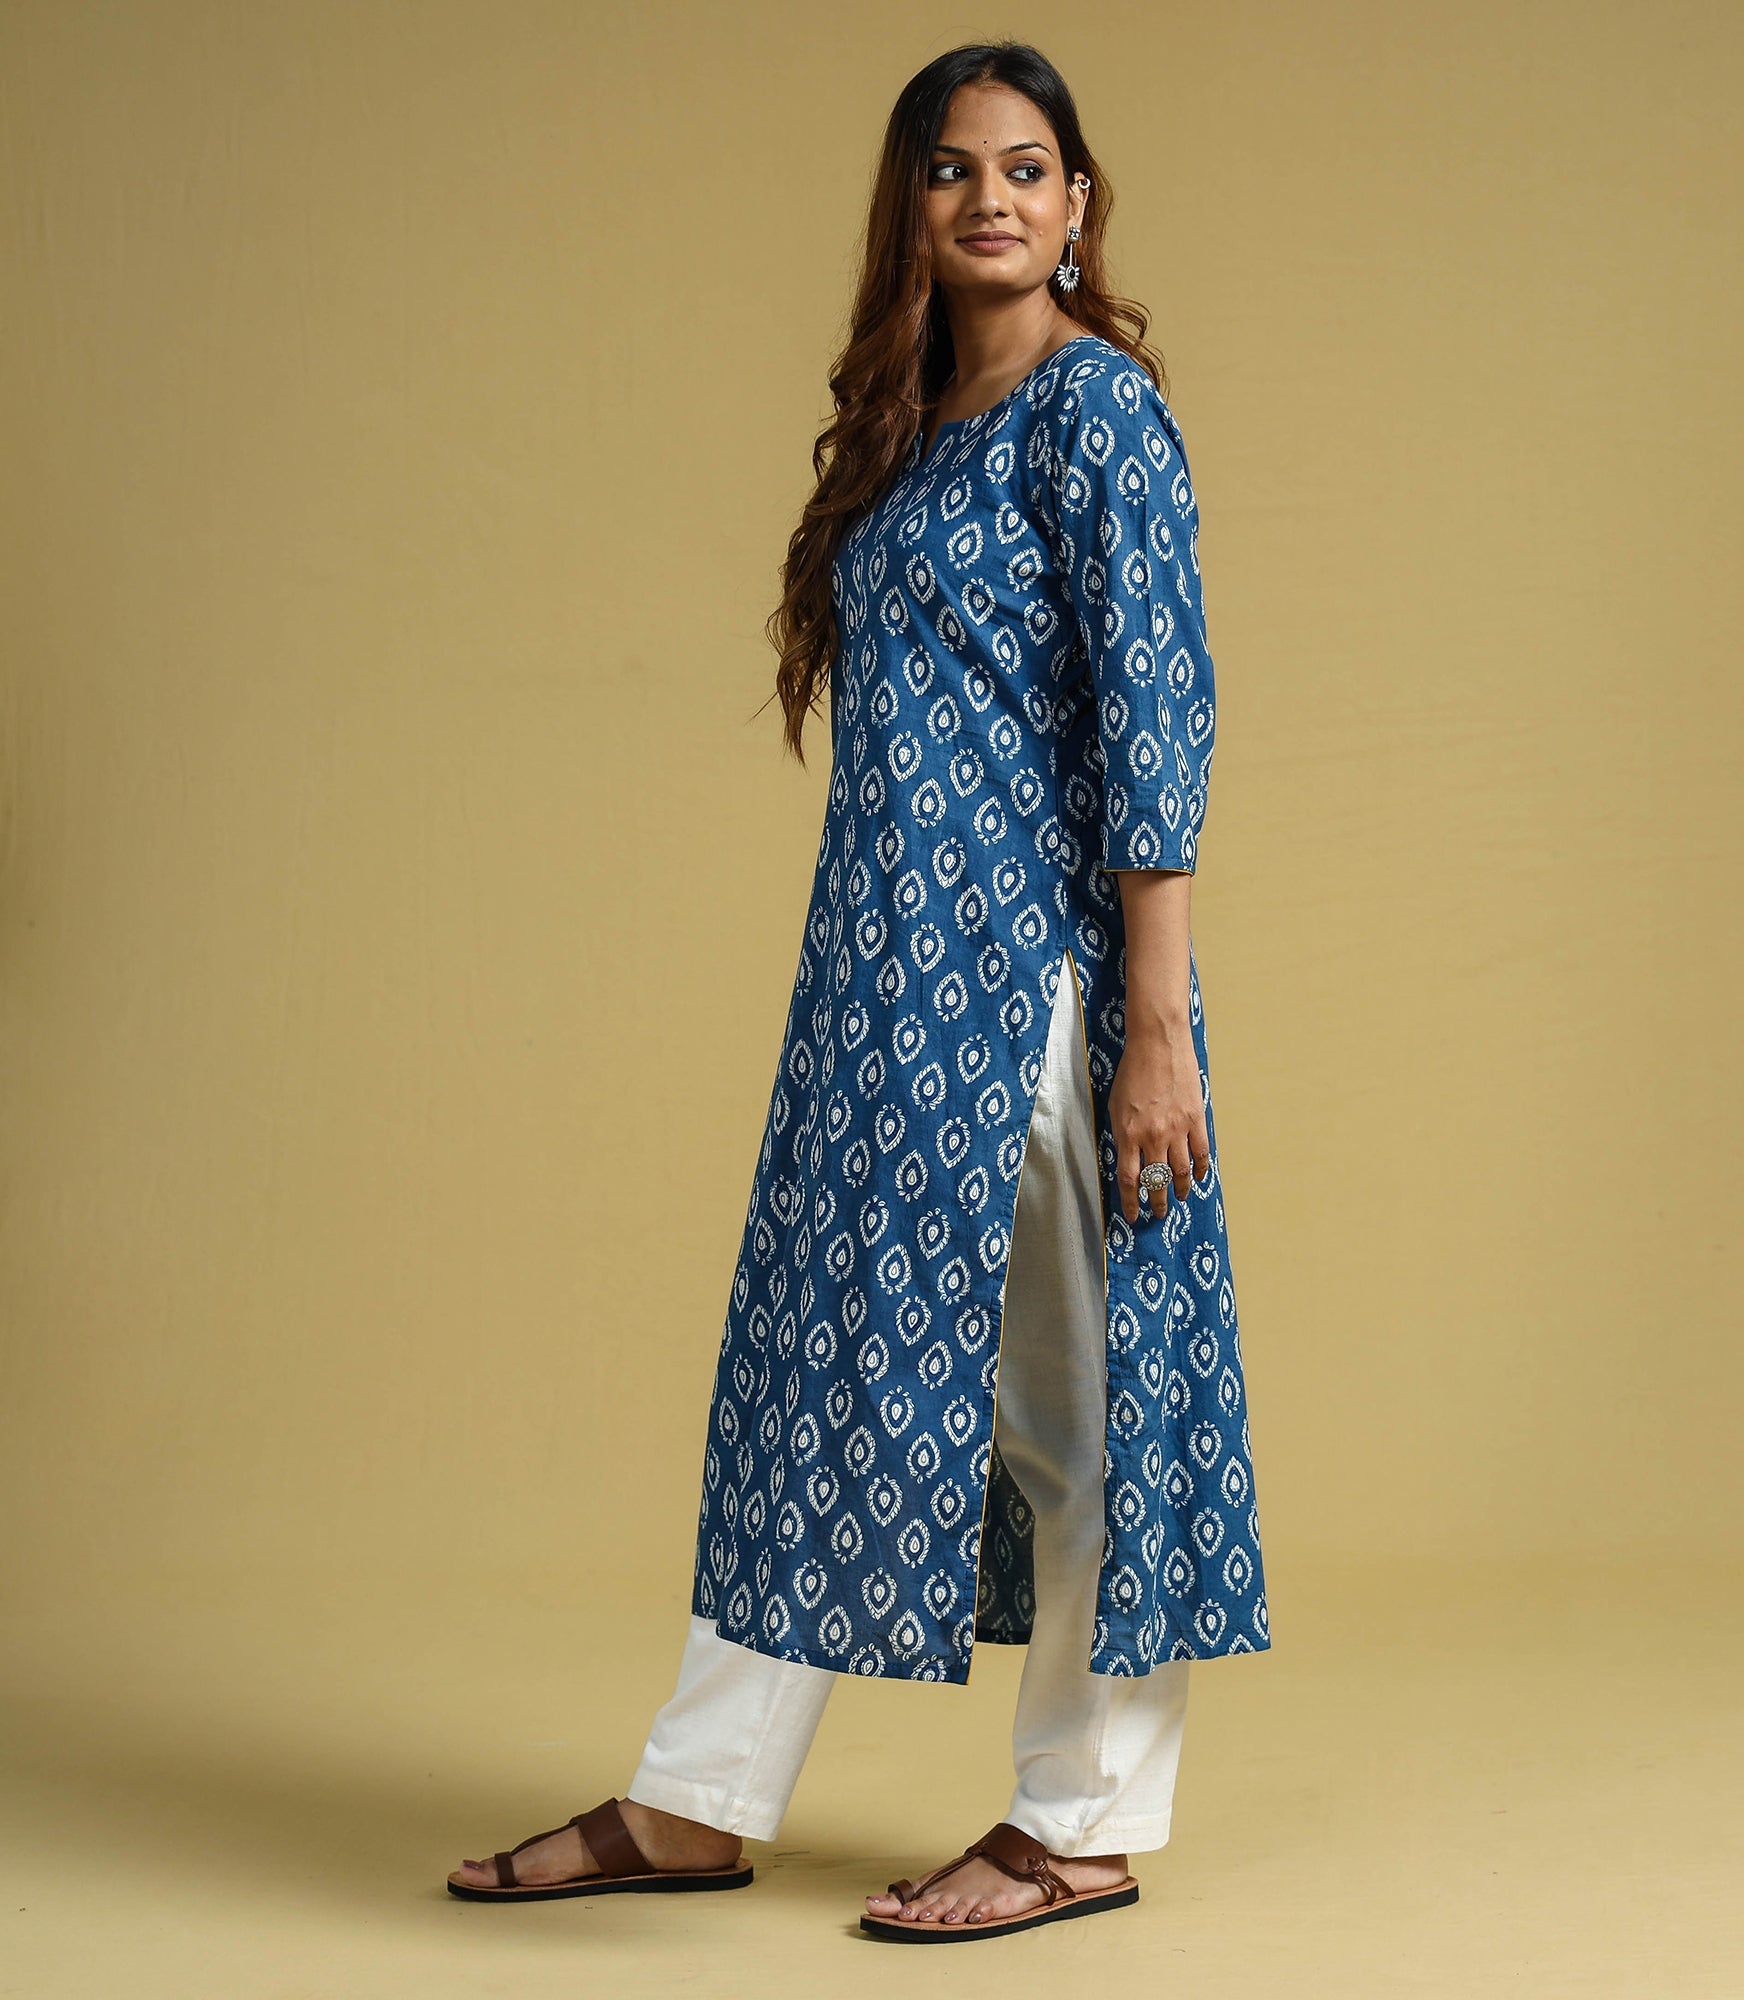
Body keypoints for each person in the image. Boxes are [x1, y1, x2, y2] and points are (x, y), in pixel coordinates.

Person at [446, 39, 1270, 1942]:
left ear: (1078, 207)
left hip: (1039, 989)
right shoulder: (907, 430)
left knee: (1087, 1400)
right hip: (884, 995)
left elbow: (1159, 723)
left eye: (1028, 167)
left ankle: (1082, 1820)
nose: (992, 197)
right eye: (953, 168)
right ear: (909, 206)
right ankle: (698, 1798)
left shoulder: (1096, 415)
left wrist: (1154, 1029)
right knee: (817, 1372)